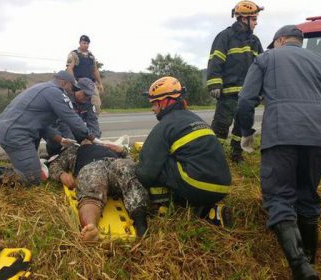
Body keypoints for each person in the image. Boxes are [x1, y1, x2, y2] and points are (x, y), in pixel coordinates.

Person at [237, 25, 321, 279]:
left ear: (279, 40)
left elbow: (246, 100)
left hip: (282, 134)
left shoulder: (266, 58)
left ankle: (301, 268)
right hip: (317, 136)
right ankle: (311, 260)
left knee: (279, 198)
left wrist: (246, 133)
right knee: (308, 196)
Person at [135, 76, 232, 226]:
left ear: (164, 102)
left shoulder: (166, 125)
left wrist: (135, 165)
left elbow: (146, 173)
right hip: (222, 187)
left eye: (153, 103)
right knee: (180, 162)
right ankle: (210, 212)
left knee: (155, 164)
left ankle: (162, 208)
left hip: (196, 186)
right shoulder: (195, 119)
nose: (152, 109)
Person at [0, 71, 95, 186]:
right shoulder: (55, 92)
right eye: (72, 88)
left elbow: (41, 124)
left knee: (32, 170)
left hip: (13, 130)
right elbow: (71, 118)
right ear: (64, 83)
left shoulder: (44, 88)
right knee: (31, 179)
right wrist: (93, 138)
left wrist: (60, 140)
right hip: (15, 133)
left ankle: (22, 168)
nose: (72, 91)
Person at [48, 140, 149, 241]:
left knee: (128, 171)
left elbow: (132, 162)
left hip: (115, 164)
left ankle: (141, 225)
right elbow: (54, 165)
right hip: (93, 167)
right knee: (91, 183)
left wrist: (123, 151)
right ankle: (90, 228)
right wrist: (61, 175)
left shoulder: (108, 146)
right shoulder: (74, 150)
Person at [206, 0, 263, 163]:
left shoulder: (255, 41)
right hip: (228, 93)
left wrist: (260, 90)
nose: (256, 23)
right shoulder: (225, 37)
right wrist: (215, 84)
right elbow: (215, 61)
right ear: (243, 19)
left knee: (242, 126)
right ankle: (214, 157)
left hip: (247, 95)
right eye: (254, 19)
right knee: (221, 126)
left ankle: (236, 154)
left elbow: (261, 66)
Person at [43, 77, 101, 157]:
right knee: (56, 137)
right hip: (63, 134)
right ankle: (55, 154)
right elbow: (62, 123)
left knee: (94, 137)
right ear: (77, 89)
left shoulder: (89, 104)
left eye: (89, 95)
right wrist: (73, 144)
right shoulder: (65, 100)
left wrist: (93, 139)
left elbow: (93, 122)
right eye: (85, 94)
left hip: (77, 134)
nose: (87, 97)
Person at [66, 35, 104, 115]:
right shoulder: (74, 54)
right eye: (84, 43)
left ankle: (93, 122)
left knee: (96, 105)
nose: (86, 45)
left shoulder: (91, 56)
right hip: (79, 84)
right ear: (80, 43)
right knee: (77, 106)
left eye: (87, 43)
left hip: (90, 84)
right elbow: (69, 69)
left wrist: (100, 83)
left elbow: (95, 70)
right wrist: (74, 82)